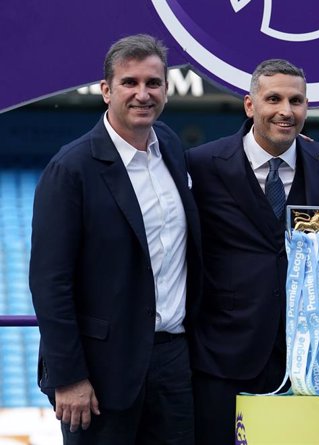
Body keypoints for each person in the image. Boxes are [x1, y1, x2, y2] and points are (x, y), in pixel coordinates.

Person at [29, 34, 202, 444]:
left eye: (153, 83)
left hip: (173, 363)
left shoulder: (172, 148)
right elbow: (50, 283)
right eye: (130, 83)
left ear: (166, 89)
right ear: (106, 90)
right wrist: (69, 378)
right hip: (100, 374)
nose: (142, 94)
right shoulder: (70, 169)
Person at [186, 59, 319, 445]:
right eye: (273, 99)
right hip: (223, 356)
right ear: (250, 105)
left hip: (307, 358)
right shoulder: (202, 164)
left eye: (296, 100)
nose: (285, 111)